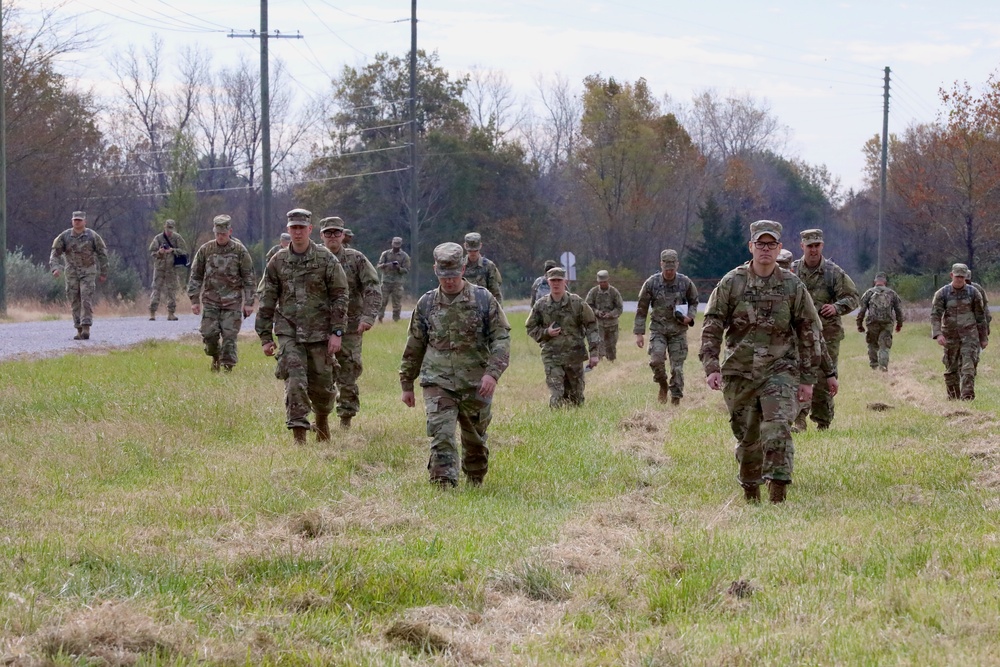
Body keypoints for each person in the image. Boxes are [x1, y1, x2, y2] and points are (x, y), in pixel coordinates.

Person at [700, 220, 824, 504]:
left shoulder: (792, 285)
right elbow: (712, 324)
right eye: (760, 244)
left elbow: (809, 330)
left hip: (780, 370)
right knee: (748, 438)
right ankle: (751, 489)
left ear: (779, 248)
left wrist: (807, 378)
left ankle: (778, 491)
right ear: (751, 246)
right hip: (739, 371)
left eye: (771, 245)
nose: (765, 250)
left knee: (778, 427)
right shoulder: (732, 282)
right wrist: (711, 366)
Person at [400, 242, 510, 487]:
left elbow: (501, 338)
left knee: (475, 441)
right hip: (437, 381)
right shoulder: (427, 304)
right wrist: (406, 382)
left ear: (463, 269)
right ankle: (443, 485)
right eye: (443, 275)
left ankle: (475, 479)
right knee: (442, 435)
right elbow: (414, 345)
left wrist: (492, 374)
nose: (448, 281)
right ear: (435, 270)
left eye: (452, 275)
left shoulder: (483, 299)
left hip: (476, 382)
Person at [257, 209, 349, 443]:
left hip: (320, 332)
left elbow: (340, 295)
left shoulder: (326, 259)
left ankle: (322, 421)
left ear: (310, 230)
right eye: (293, 227)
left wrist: (337, 332)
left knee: (322, 386)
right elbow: (267, 299)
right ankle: (299, 437)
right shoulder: (277, 261)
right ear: (288, 230)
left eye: (302, 227)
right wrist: (265, 337)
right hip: (289, 332)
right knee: (295, 381)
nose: (297, 232)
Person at [790, 229, 859, 431]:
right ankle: (799, 419)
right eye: (809, 246)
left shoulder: (832, 272)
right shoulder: (792, 271)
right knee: (797, 374)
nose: (813, 250)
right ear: (802, 246)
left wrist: (836, 307)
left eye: (816, 245)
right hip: (799, 333)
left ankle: (823, 421)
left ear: (822, 246)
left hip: (827, 334)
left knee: (823, 376)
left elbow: (853, 297)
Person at [319, 216, 382, 429]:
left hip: (350, 327)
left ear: (344, 235)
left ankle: (345, 420)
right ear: (321, 236)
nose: (333, 237)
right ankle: (320, 419)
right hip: (318, 327)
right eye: (328, 233)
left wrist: (368, 317)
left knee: (348, 372)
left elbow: (373, 287)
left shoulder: (356, 260)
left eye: (337, 232)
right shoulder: (314, 258)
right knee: (319, 374)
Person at [187, 214, 256, 371]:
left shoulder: (240, 251)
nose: (220, 237)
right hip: (211, 301)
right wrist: (194, 300)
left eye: (223, 234)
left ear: (230, 231)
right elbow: (196, 276)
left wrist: (249, 302)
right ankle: (215, 356)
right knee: (209, 334)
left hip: (232, 302)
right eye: (218, 234)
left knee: (229, 337)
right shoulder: (206, 250)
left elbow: (249, 277)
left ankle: (227, 368)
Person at [526, 266, 601, 408]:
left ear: (565, 281)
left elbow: (591, 325)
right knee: (557, 394)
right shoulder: (541, 305)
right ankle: (555, 422)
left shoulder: (577, 303)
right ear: (548, 282)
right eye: (552, 280)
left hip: (574, 356)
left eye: (559, 280)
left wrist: (594, 353)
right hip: (552, 356)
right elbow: (530, 327)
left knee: (576, 398)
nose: (556, 283)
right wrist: (546, 333)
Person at [634, 249, 699, 405]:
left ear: (677, 265)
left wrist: (690, 317)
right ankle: (663, 385)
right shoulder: (652, 283)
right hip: (658, 330)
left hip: (678, 331)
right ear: (661, 265)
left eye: (672, 269)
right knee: (656, 360)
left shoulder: (685, 283)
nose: (669, 272)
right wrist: (639, 333)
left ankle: (675, 399)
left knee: (677, 368)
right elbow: (642, 308)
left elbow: (694, 301)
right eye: (666, 269)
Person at [931, 263, 989, 400]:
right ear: (952, 275)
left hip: (970, 335)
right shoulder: (942, 293)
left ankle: (967, 396)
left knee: (968, 367)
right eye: (957, 276)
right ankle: (953, 397)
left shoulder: (973, 292)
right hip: (950, 336)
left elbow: (980, 317)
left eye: (962, 277)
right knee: (951, 369)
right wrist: (938, 334)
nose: (959, 280)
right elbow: (935, 315)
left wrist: (983, 337)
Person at [49, 211, 109, 340]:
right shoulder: (64, 237)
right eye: (75, 220)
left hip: (88, 272)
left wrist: (104, 272)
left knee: (86, 298)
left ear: (84, 222)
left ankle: (86, 327)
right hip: (71, 273)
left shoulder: (92, 236)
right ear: (72, 221)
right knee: (74, 300)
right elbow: (55, 254)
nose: (77, 222)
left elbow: (102, 254)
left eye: (79, 220)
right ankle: (79, 328)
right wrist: (55, 268)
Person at [856, 272, 904, 372]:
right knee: (884, 346)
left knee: (872, 344)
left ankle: (874, 366)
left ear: (875, 282)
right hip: (887, 323)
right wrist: (899, 324)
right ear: (885, 282)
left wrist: (859, 324)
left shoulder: (868, 293)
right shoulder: (892, 293)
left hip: (872, 323)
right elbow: (898, 310)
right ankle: (883, 367)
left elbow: (862, 310)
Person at [147, 219, 188, 321]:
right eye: (168, 228)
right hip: (160, 268)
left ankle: (171, 313)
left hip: (171, 268)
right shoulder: (158, 238)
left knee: (171, 290)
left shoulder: (177, 238)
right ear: (164, 227)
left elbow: (184, 251)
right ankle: (152, 312)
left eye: (171, 229)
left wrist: (173, 250)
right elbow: (152, 252)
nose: (169, 231)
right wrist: (160, 252)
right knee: (156, 289)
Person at [585, 270, 624, 362]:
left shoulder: (614, 292)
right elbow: (587, 306)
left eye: (604, 282)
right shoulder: (593, 292)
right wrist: (597, 312)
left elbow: (619, 308)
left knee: (611, 345)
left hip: (612, 324)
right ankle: (600, 361)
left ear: (608, 280)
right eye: (601, 282)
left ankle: (611, 362)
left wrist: (610, 314)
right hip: (598, 324)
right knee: (599, 344)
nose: (602, 284)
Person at [462, 232, 503, 303]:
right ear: (465, 246)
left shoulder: (489, 266)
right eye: (470, 250)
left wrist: (498, 311)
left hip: (483, 307)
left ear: (480, 246)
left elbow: (495, 293)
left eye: (475, 250)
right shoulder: (459, 266)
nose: (473, 253)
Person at [377, 236, 410, 322]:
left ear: (400, 245)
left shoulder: (404, 256)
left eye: (398, 245)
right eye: (395, 244)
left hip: (397, 282)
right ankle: (380, 318)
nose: (396, 246)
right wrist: (386, 265)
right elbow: (379, 266)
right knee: (382, 301)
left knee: (397, 303)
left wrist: (399, 268)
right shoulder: (386, 254)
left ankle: (396, 319)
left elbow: (406, 270)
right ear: (392, 243)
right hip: (386, 282)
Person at [969, 272, 992, 336]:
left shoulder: (977, 288)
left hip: (976, 319)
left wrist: (986, 326)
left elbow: (984, 304)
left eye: (968, 281)